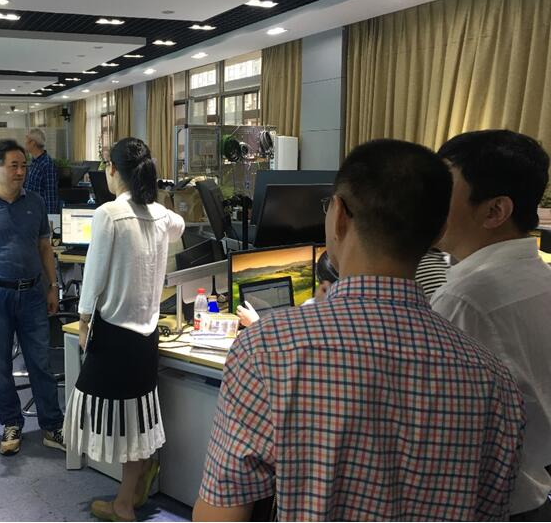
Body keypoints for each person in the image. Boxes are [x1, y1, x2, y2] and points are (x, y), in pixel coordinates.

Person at [194, 139, 525, 521]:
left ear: (338, 216)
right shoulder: (494, 380)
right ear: (439, 233)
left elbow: (219, 515)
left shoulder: (266, 351)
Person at [432, 129, 551, 520]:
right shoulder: (540, 276)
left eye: (442, 189)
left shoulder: (465, 300)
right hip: (531, 493)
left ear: (495, 211)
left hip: (486, 504)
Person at [65, 137, 185, 522]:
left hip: (114, 334)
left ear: (113, 170)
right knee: (138, 419)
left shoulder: (109, 213)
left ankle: (123, 504)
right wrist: (160, 201)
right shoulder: (160, 215)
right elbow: (180, 225)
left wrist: (84, 321)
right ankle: (128, 496)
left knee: (98, 411)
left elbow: (94, 275)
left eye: (106, 165)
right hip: (146, 336)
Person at [0, 139, 65, 456]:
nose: (21, 172)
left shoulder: (35, 202)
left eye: (23, 166)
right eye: (14, 166)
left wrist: (53, 286)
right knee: (0, 364)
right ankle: (11, 423)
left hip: (32, 294)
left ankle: (51, 425)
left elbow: (44, 247)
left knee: (40, 362)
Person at [24, 128, 59, 214]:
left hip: (40, 213)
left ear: (33, 143)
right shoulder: (34, 162)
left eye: (27, 139)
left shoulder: (47, 164)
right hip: (30, 210)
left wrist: (50, 218)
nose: (25, 142)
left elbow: (51, 195)